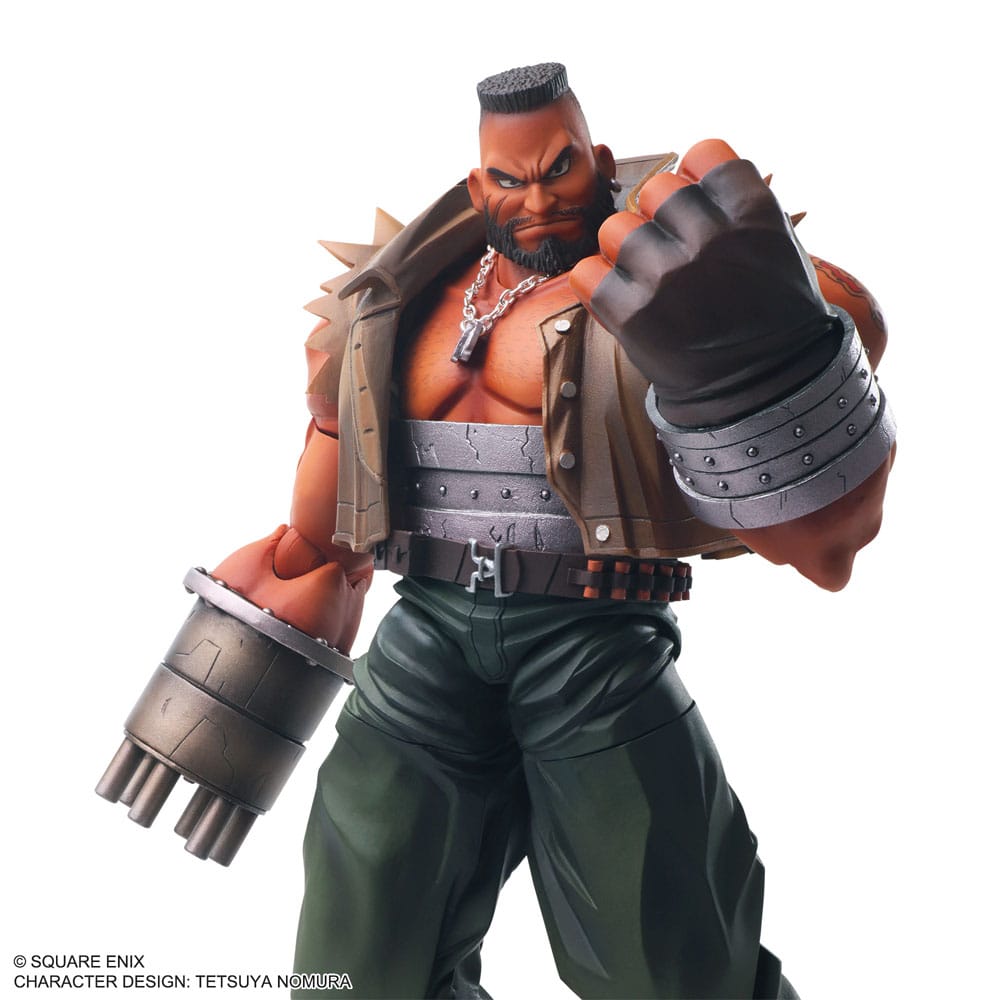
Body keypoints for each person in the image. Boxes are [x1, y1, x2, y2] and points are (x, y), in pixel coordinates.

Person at [98, 63, 894, 999]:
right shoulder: (394, 296)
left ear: (597, 159)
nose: (538, 201)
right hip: (427, 630)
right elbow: (337, 447)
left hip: (593, 639)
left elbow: (828, 540)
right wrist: (291, 585)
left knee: (667, 959)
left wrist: (766, 362)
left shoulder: (678, 283)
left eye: (559, 170)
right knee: (355, 957)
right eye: (511, 180)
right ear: (480, 184)